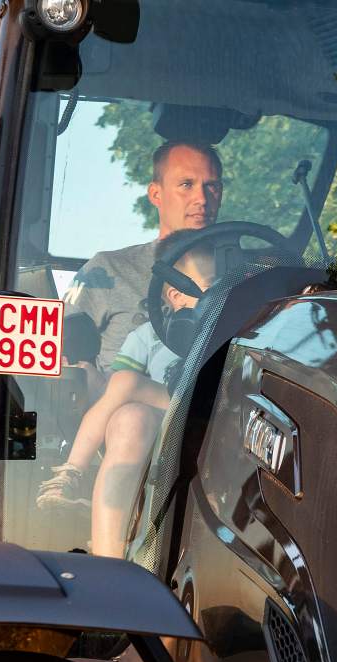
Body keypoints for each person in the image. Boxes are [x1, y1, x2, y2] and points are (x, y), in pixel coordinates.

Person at [38, 231, 215, 558]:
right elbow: (114, 390)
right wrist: (92, 380)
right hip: (165, 416)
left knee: (126, 384)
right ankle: (109, 556)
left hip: (212, 412)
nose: (223, 294)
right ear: (176, 295)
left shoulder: (239, 331)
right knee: (129, 415)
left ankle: (73, 470)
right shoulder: (147, 336)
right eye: (213, 285)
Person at [63, 140, 224, 375]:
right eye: (186, 184)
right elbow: (59, 356)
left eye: (212, 186)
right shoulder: (107, 270)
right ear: (156, 194)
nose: (201, 198)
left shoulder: (247, 273)